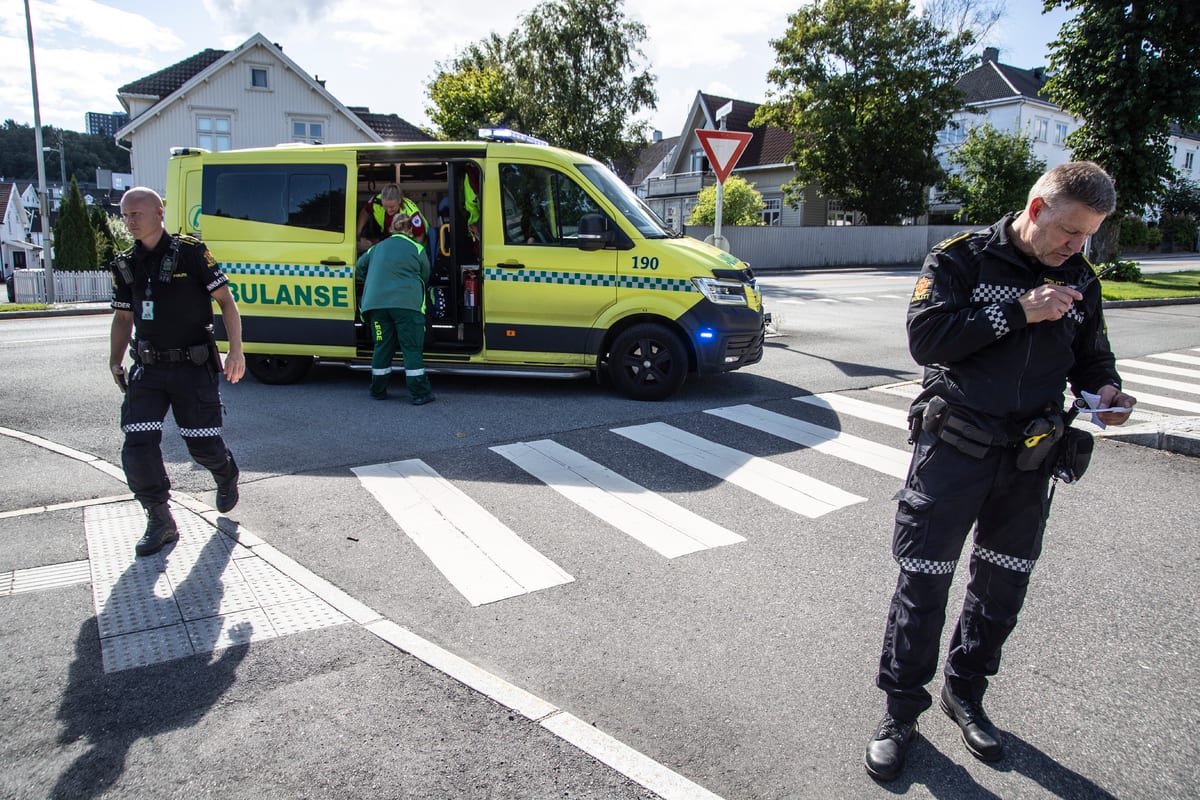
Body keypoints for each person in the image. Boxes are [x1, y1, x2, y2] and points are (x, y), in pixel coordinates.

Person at [864, 161, 1138, 781]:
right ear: (1037, 209)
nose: (1077, 247)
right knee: (924, 584)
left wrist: (1107, 392)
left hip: (1030, 459)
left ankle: (965, 693)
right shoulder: (961, 258)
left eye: (1088, 236)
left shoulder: (1080, 278)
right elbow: (926, 338)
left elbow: (1093, 358)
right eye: (1070, 231)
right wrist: (1019, 310)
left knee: (1001, 589)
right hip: (954, 450)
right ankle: (900, 712)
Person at [109, 187, 245, 557]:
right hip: (148, 369)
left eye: (136, 214)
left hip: (192, 366)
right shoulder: (125, 264)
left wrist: (235, 350)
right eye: (125, 215)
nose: (130, 222)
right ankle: (160, 519)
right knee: (137, 445)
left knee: (202, 445)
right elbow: (123, 318)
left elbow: (226, 302)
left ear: (159, 212)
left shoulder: (192, 253)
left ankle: (225, 472)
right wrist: (115, 359)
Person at [357, 213, 434, 405]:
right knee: (411, 348)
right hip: (407, 306)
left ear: (391, 228)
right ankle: (419, 394)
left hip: (377, 306)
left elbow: (360, 268)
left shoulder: (376, 248)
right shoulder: (417, 248)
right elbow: (425, 274)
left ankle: (378, 390)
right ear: (410, 230)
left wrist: (378, 277)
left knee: (382, 347)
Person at [356, 183, 425, 253]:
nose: (389, 210)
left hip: (411, 240)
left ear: (399, 201)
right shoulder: (376, 201)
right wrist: (358, 232)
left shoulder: (412, 214)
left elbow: (420, 236)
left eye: (392, 207)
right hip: (388, 235)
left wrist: (409, 253)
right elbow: (365, 212)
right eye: (385, 206)